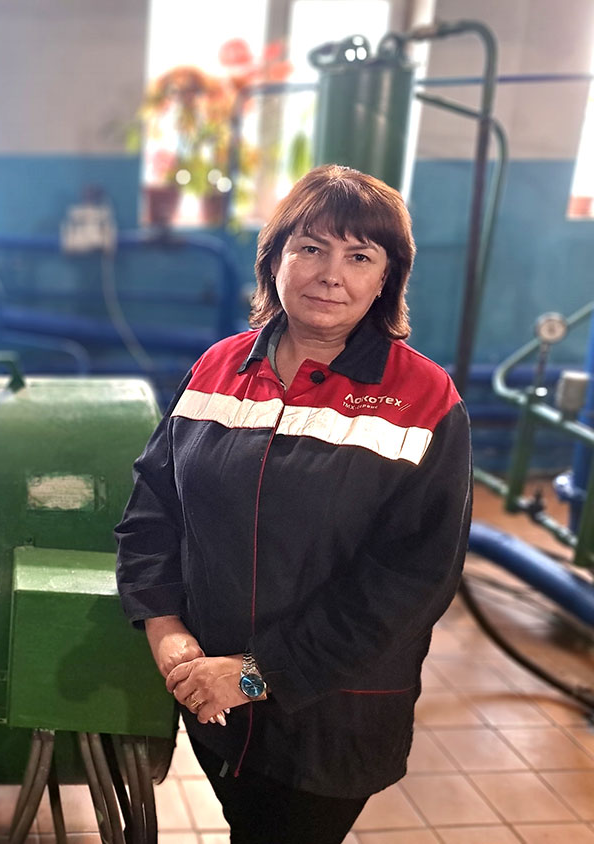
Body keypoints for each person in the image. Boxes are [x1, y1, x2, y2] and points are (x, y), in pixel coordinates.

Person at [115, 164, 472, 844]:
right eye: (310, 248)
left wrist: (254, 676)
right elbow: (154, 507)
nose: (331, 275)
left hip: (329, 723)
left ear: (386, 278)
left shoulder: (423, 399)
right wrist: (165, 629)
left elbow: (412, 580)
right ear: (274, 258)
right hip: (213, 704)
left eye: (359, 257)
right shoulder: (218, 368)